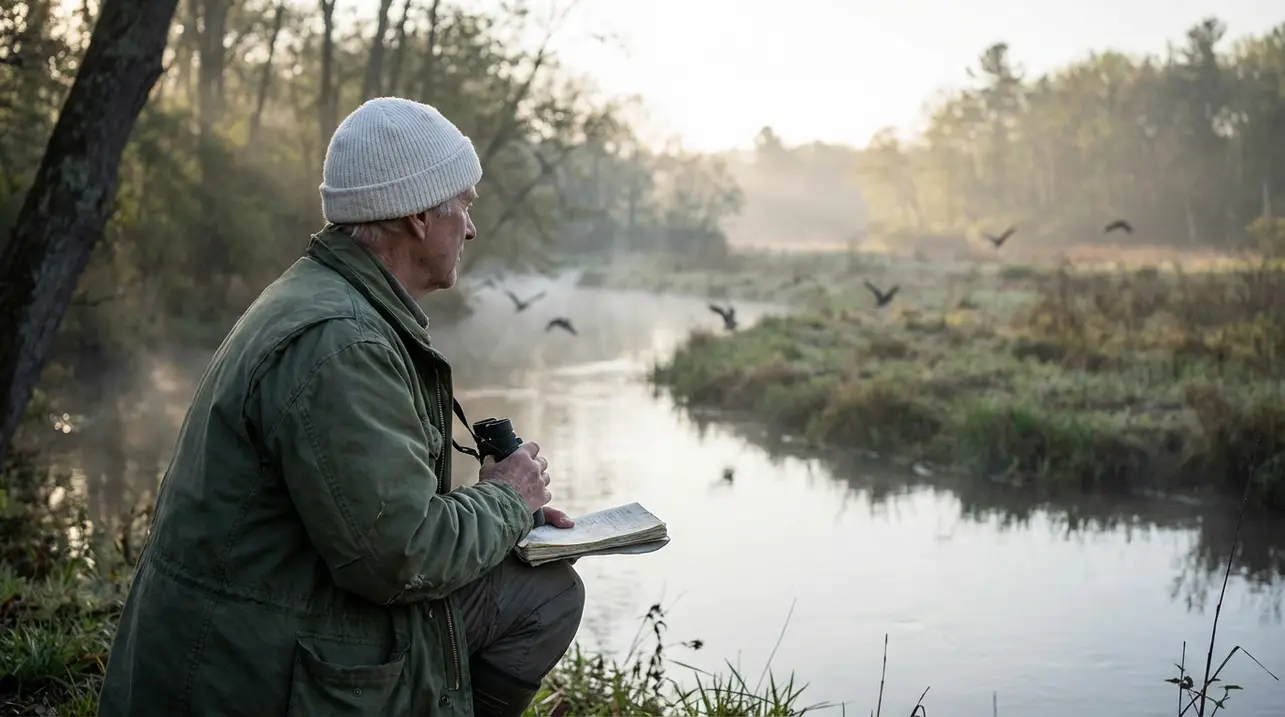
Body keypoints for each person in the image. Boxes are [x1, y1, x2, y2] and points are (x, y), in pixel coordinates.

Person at [97, 97, 586, 717]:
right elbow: (399, 557)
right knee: (538, 597)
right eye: (463, 204)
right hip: (240, 676)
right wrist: (509, 499)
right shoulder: (342, 344)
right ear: (415, 216)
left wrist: (504, 521)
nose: (470, 227)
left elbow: (376, 514)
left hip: (274, 618)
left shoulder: (332, 300)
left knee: (539, 591)